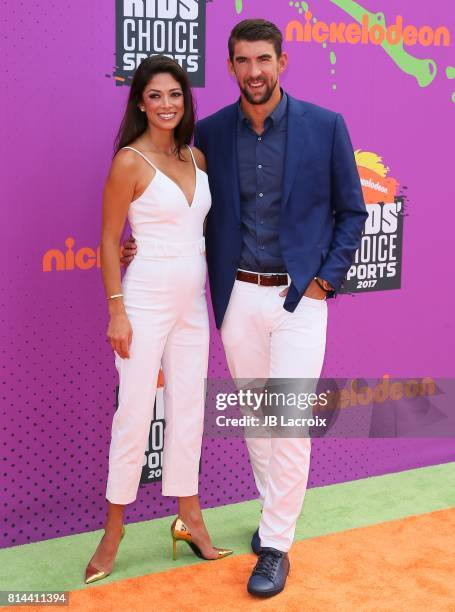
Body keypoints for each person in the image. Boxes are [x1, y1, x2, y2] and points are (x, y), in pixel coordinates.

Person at [122, 20, 368, 597]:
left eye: (263, 59)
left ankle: (277, 545)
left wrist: (324, 283)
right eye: (241, 61)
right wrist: (140, 240)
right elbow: (180, 203)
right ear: (229, 66)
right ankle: (273, 516)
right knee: (258, 421)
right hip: (237, 297)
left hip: (299, 299)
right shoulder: (207, 133)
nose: (253, 71)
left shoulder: (325, 126)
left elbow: (352, 212)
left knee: (288, 425)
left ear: (282, 61)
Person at [84, 55, 233, 586]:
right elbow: (107, 240)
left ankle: (189, 517)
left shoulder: (198, 158)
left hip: (194, 301)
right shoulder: (128, 161)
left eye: (175, 94)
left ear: (185, 101)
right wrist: (116, 309)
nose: (167, 104)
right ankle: (114, 530)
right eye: (155, 96)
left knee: (189, 407)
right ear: (140, 103)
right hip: (142, 301)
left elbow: (200, 230)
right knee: (134, 414)